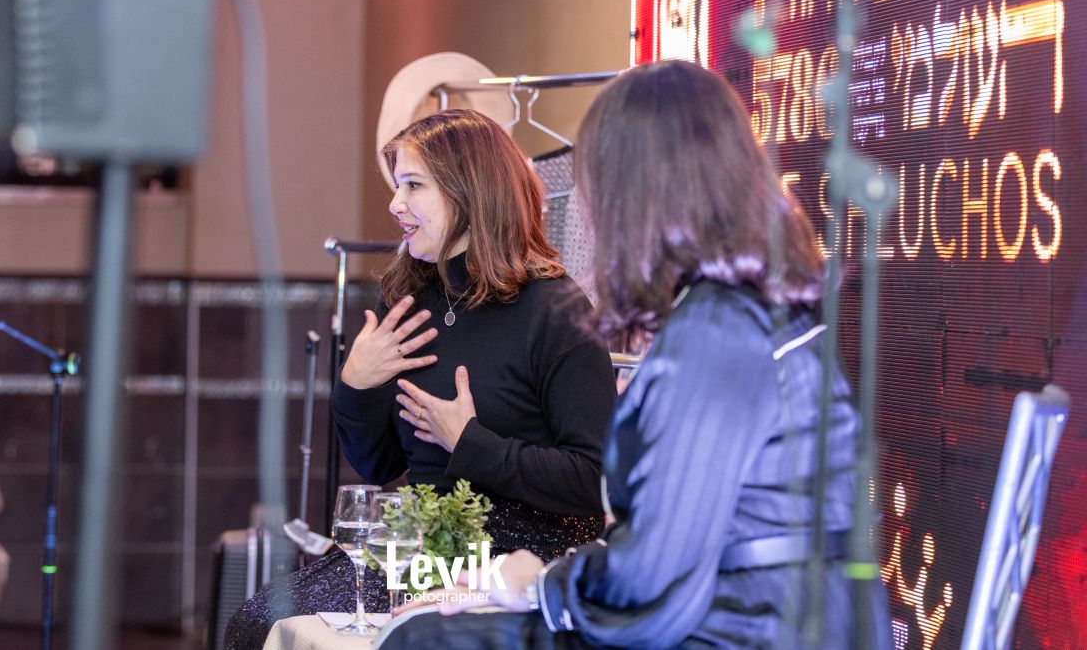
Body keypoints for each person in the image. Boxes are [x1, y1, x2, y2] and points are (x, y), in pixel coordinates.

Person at [381, 61, 892, 648]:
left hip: (751, 627)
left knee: (422, 638)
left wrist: (538, 584)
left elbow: (655, 579)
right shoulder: (745, 312)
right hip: (777, 617)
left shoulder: (715, 334)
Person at [224, 108, 615, 649]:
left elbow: (594, 480)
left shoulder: (556, 312)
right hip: (417, 540)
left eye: (413, 185)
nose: (395, 204)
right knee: (257, 619)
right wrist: (356, 387)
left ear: (470, 192)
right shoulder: (411, 301)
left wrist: (471, 444)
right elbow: (380, 465)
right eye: (397, 185)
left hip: (521, 553)